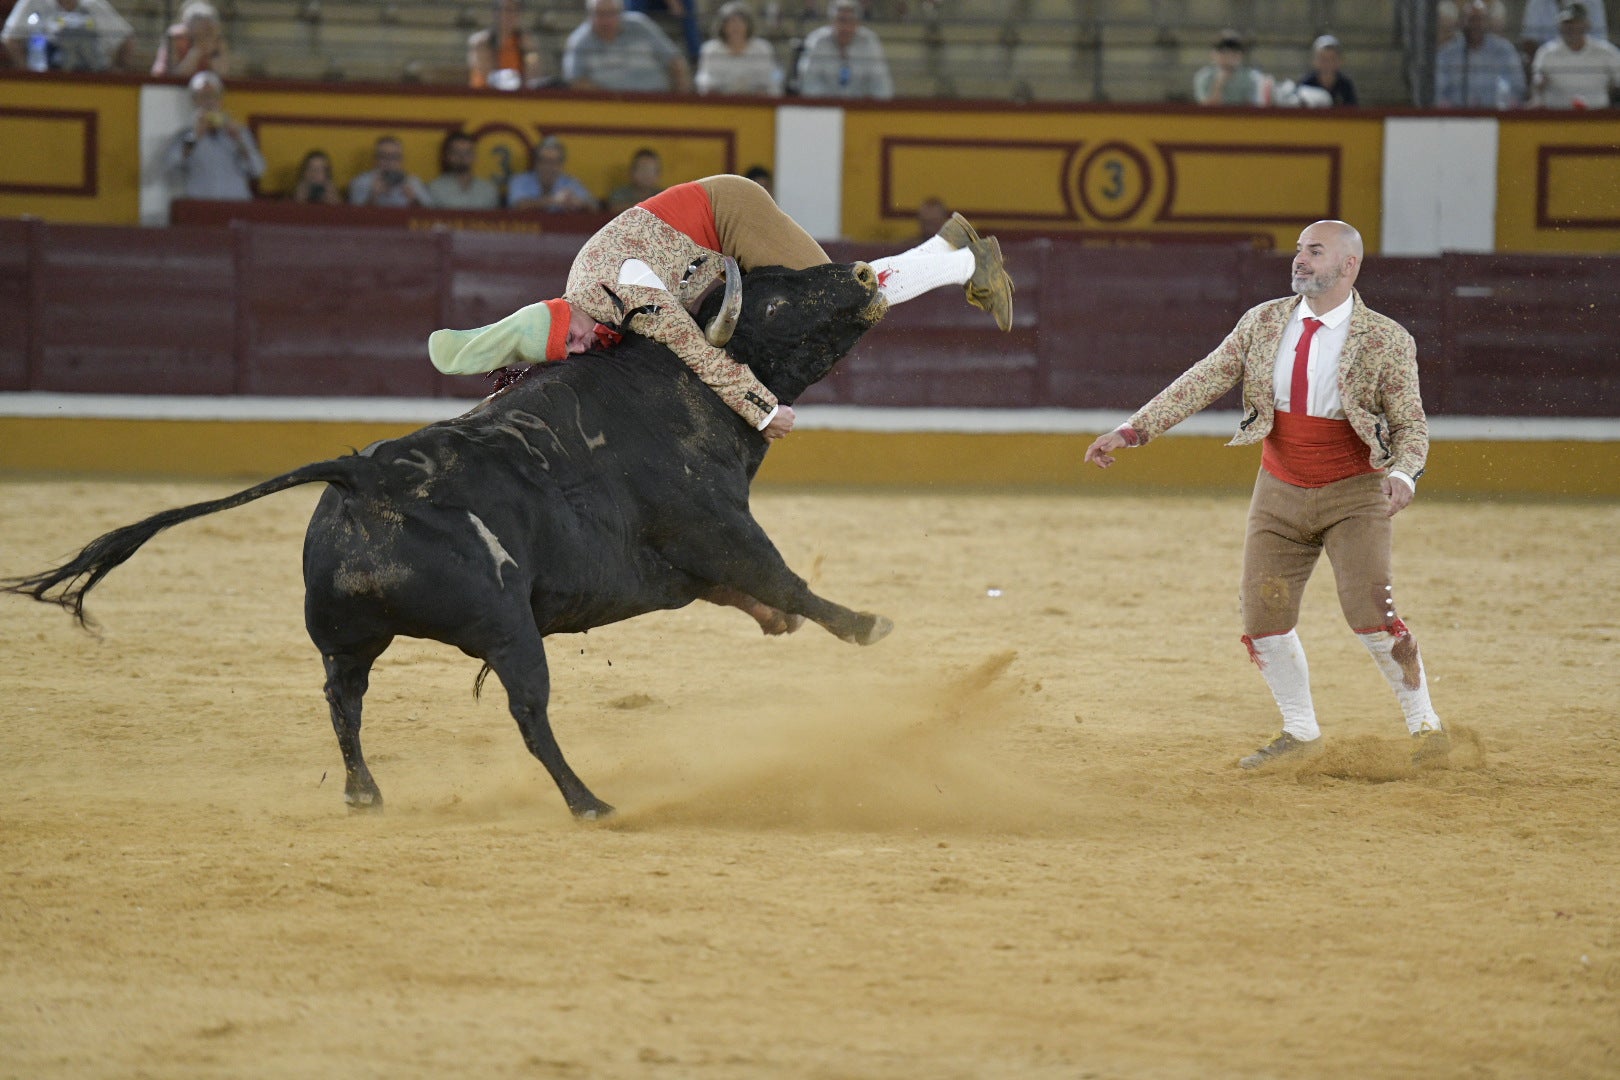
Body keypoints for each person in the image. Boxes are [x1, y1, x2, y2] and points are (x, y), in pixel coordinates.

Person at [1083, 220, 1448, 770]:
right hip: (1278, 489)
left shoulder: (1387, 339)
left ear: (1348, 266)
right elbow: (1205, 377)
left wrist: (1404, 475)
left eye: (1315, 251)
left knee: (1371, 615)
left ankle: (1426, 728)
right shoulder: (1264, 320)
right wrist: (1135, 429)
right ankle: (1300, 733)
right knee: (1263, 617)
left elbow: (1410, 426)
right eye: (1300, 249)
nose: (1299, 260)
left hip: (1355, 493)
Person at [427, 173, 1014, 443]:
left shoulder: (617, 292)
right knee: (831, 303)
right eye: (570, 352)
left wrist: (760, 411)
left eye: (572, 339)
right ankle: (950, 254)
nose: (579, 348)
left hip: (728, 212)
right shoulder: (588, 312)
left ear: (565, 313)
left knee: (831, 302)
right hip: (703, 265)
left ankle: (960, 258)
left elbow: (689, 348)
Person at [163, 71, 264, 202]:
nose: (209, 101)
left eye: (214, 95)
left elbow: (258, 170)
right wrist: (195, 137)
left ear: (221, 99)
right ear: (194, 100)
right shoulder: (185, 135)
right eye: (203, 96)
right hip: (200, 209)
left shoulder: (239, 132)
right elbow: (171, 166)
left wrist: (238, 140)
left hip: (236, 205)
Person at [562, 0, 692, 92]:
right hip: (608, 111)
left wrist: (680, 95)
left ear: (621, 13)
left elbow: (675, 61)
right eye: (600, 14)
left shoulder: (641, 26)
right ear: (589, 15)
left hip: (656, 103)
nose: (606, 20)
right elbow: (575, 80)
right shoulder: (579, 41)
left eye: (611, 13)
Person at [1436, 0, 1527, 106]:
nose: (1476, 25)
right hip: (1457, 116)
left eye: (1480, 20)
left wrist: (1509, 104)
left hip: (1497, 113)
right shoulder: (1446, 54)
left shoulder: (1505, 51)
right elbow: (1438, 91)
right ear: (1462, 23)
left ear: (1487, 22)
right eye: (1471, 20)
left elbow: (1518, 87)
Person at [796, 0, 893, 99]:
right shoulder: (816, 41)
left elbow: (881, 85)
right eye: (841, 20)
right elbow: (808, 84)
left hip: (861, 110)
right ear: (832, 22)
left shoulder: (869, 42)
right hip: (824, 109)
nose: (846, 27)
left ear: (857, 23)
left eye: (851, 21)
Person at [2, 0, 135, 71]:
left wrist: (115, 71)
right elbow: (10, 38)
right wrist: (26, 70)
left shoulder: (94, 5)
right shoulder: (33, 3)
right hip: (45, 81)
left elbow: (127, 39)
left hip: (91, 81)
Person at [1532, 3, 1620, 107]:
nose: (1572, 27)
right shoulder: (1546, 53)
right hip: (1557, 117)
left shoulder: (1606, 52)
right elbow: (1537, 86)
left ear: (1587, 25)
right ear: (1560, 26)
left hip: (1598, 117)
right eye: (1567, 23)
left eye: (1577, 22)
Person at [695, 1, 782, 95]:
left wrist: (767, 88)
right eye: (731, 21)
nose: (736, 26)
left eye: (741, 21)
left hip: (758, 104)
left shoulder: (763, 48)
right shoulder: (710, 50)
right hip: (721, 104)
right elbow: (702, 78)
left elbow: (776, 75)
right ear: (722, 26)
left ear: (748, 25)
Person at [507, 135, 599, 212]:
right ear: (536, 162)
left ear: (561, 165)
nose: (549, 167)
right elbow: (519, 206)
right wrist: (553, 201)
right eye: (545, 161)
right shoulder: (519, 181)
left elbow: (593, 206)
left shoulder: (570, 183)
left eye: (554, 162)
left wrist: (579, 203)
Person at [468, 0, 544, 89]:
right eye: (506, 10)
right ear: (495, 13)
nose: (509, 16)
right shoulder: (481, 42)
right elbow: (487, 75)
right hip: (484, 97)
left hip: (516, 97)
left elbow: (533, 76)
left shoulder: (526, 42)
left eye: (515, 11)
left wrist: (529, 51)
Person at [349, 135, 432, 208]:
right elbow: (353, 219)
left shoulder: (413, 182)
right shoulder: (361, 182)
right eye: (383, 156)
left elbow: (430, 216)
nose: (389, 162)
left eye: (394, 157)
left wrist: (414, 201)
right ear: (375, 159)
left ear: (401, 160)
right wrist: (373, 197)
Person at [150, 0, 229, 77]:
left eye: (209, 28)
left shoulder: (217, 40)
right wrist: (196, 53)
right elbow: (174, 76)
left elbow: (222, 73)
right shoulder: (175, 37)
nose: (205, 31)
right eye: (202, 25)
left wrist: (211, 55)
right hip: (170, 86)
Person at [426, 131, 500, 210]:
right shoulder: (435, 188)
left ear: (474, 156)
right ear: (447, 156)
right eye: (456, 152)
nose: (462, 157)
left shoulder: (488, 190)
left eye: (467, 152)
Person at [1193, 29, 1264, 105]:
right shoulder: (1204, 77)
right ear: (1213, 54)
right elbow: (1207, 110)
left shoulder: (1251, 78)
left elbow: (1252, 109)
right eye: (1223, 52)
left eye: (1234, 52)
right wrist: (1219, 85)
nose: (1229, 57)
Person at [1522, 0, 1609, 49]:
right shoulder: (1536, 3)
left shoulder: (1593, 2)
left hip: (1586, 59)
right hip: (1549, 61)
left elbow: (1600, 39)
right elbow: (1530, 42)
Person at [1300, 33, 1358, 105]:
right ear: (1314, 61)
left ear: (1340, 61)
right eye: (1323, 59)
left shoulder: (1346, 86)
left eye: (1332, 59)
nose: (1327, 63)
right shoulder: (1306, 84)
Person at [605, 147, 664, 213]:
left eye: (650, 170)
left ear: (658, 174)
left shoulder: (664, 196)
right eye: (642, 169)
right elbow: (615, 209)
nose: (645, 175)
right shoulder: (619, 194)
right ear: (631, 172)